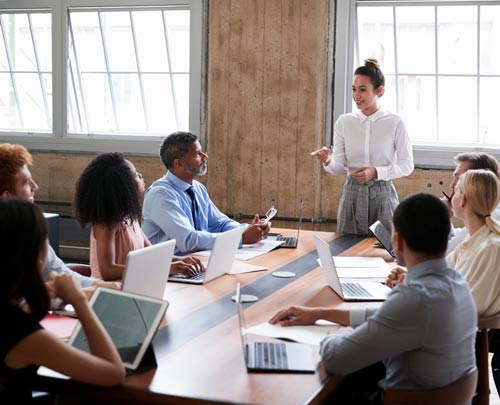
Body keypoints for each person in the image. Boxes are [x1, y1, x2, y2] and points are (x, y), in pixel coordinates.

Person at [270, 194, 476, 403]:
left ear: (398, 240)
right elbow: (387, 316)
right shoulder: (458, 282)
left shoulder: (413, 299)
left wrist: (329, 336)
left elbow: (335, 359)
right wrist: (321, 314)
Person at [0, 198, 125, 402]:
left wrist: (38, 304)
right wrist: (79, 301)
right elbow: (113, 373)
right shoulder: (24, 335)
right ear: (37, 255)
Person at [312, 59, 413, 235]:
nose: (356, 95)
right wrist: (327, 160)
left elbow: (407, 166)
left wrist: (376, 172)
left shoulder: (395, 122)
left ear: (379, 90)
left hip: (383, 195)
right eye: (354, 89)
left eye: (363, 89)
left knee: (385, 251)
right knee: (346, 249)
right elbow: (339, 167)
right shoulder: (344, 122)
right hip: (352, 194)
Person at [73, 152, 203, 281]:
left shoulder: (131, 217)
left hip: (133, 286)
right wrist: (167, 268)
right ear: (124, 186)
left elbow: (151, 253)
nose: (141, 175)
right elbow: (108, 271)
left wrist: (179, 260)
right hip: (108, 291)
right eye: (136, 175)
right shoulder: (107, 224)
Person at [0, 143, 112, 290]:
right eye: (26, 182)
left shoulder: (28, 229)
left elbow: (59, 272)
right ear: (7, 197)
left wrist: (102, 286)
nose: (35, 186)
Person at [142, 131, 270, 255]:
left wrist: (248, 229)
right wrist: (241, 238)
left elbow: (220, 223)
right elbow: (188, 240)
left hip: (196, 262)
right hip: (169, 270)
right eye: (197, 154)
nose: (205, 156)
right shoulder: (161, 195)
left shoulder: (197, 188)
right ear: (178, 163)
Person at [444, 152, 500, 253]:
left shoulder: (492, 216)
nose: (452, 185)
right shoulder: (486, 211)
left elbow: (446, 254)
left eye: (458, 179)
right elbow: (460, 238)